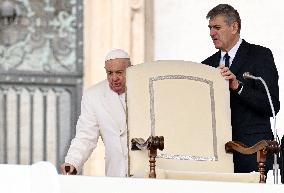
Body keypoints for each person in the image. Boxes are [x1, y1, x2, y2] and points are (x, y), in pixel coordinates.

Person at [202, 4, 280, 174]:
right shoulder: (206, 65)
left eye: (217, 27)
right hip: (217, 156)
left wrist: (238, 87)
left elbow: (272, 106)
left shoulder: (260, 56)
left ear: (234, 27)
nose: (211, 33)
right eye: (210, 28)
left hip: (253, 153)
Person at [61, 48, 131, 177]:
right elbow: (86, 135)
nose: (114, 78)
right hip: (117, 171)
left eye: (119, 72)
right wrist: (72, 161)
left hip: (147, 172)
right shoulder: (93, 95)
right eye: (110, 73)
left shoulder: (145, 88)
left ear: (130, 70)